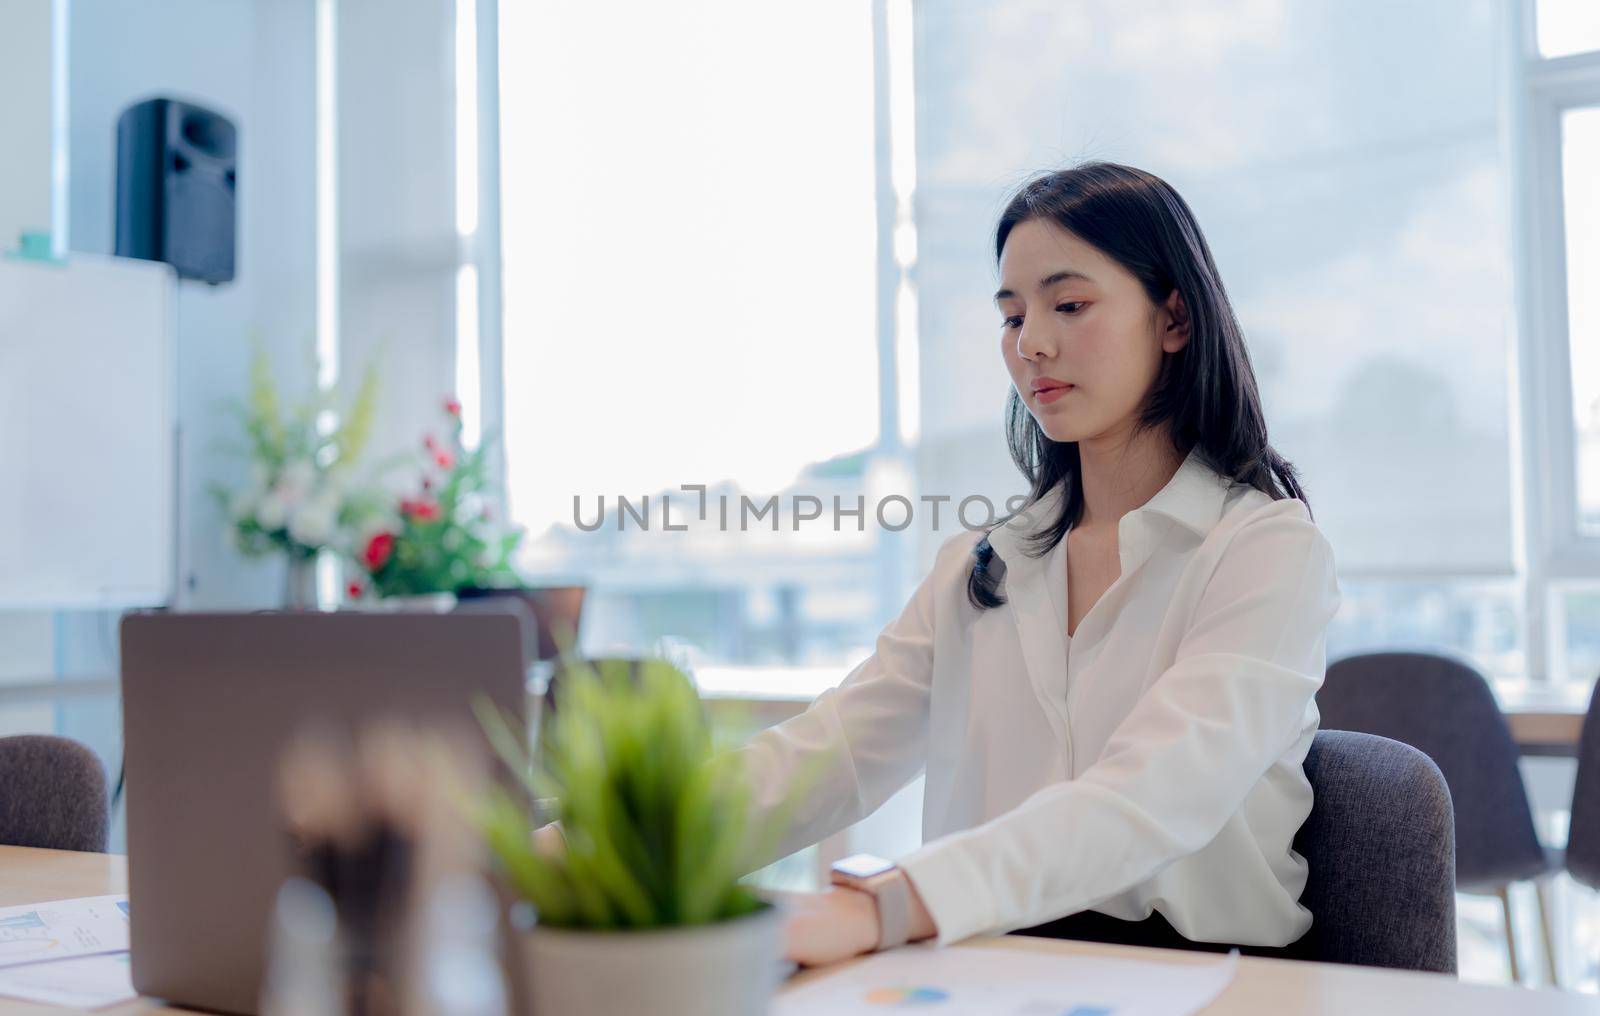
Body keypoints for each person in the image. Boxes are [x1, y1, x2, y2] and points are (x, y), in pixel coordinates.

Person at [739, 161, 1343, 968]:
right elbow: (830, 756)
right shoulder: (984, 564)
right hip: (992, 972)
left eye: (1069, 305)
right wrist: (582, 852)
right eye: (1011, 314)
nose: (1032, 343)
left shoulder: (1265, 551)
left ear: (1174, 318)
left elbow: (1150, 797)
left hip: (1203, 982)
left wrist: (888, 905)